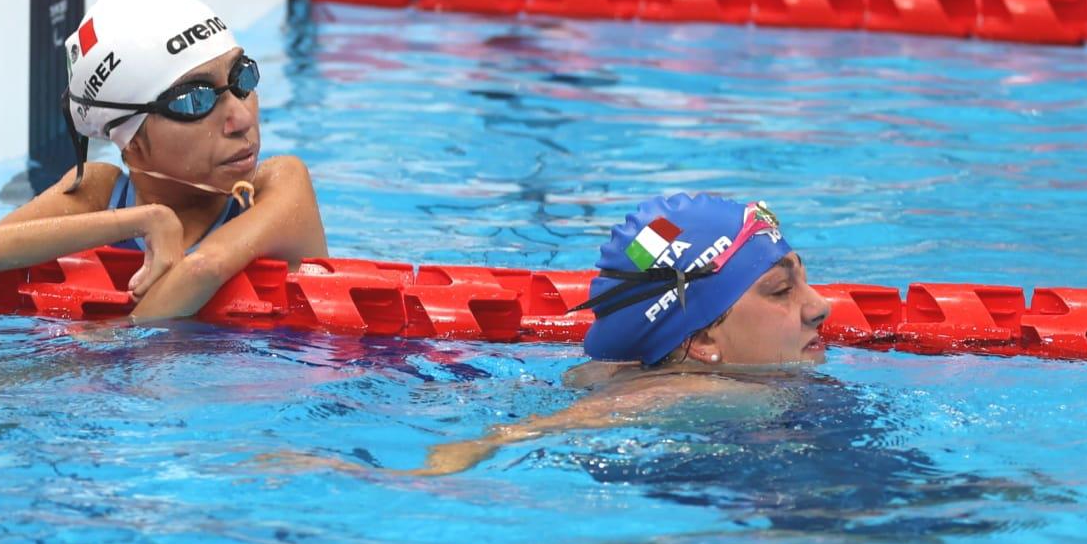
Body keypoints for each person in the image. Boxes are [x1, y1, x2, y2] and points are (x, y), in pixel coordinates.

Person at [263, 193, 829, 476]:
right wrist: (444, 462)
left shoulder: (636, 372)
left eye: (804, 279)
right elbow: (543, 428)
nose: (820, 307)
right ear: (702, 341)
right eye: (781, 291)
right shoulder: (705, 388)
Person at [0, 0, 328, 319]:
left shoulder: (281, 184)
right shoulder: (103, 192)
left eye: (242, 78)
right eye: (196, 99)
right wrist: (147, 220)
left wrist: (112, 346)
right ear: (132, 142)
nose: (241, 117)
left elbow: (203, 268)